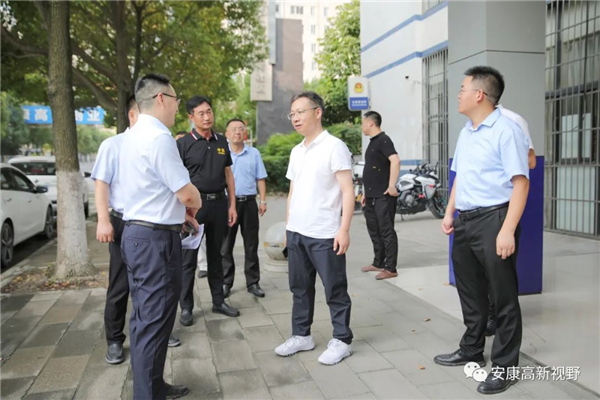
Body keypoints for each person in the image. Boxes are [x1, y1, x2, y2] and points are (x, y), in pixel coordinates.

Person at [434, 66, 529, 395]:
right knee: (470, 291)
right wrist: (450, 212)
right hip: (465, 220)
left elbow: (521, 183)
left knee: (503, 298)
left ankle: (505, 367)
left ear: (479, 94)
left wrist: (507, 230)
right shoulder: (467, 131)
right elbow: (460, 175)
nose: (458, 94)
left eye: (462, 89)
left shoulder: (506, 130)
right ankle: (472, 349)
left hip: (494, 220)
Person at [119, 73, 202, 400]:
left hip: (137, 234)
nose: (177, 107)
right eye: (176, 100)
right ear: (161, 99)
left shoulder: (131, 136)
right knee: (154, 322)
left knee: (145, 318)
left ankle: (153, 385)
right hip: (155, 242)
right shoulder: (158, 137)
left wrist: (178, 212)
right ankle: (147, 394)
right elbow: (187, 193)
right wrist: (191, 205)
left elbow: (151, 188)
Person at [92, 96, 182, 366]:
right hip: (123, 221)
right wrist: (103, 220)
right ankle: (115, 339)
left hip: (153, 223)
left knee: (153, 285)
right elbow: (101, 183)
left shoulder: (157, 142)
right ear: (133, 115)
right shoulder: (114, 144)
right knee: (121, 283)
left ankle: (156, 332)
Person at [274, 91, 355, 365]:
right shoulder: (297, 151)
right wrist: (288, 227)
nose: (295, 118)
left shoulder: (334, 146)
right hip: (297, 232)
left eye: (301, 112)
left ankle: (342, 340)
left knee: (335, 289)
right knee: (299, 288)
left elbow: (347, 191)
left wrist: (344, 229)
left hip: (325, 233)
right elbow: (292, 192)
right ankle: (302, 335)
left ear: (317, 112)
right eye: (292, 114)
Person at [177, 96, 240, 322]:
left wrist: (232, 205)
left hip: (219, 204)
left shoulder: (221, 141)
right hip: (194, 208)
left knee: (217, 255)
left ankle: (218, 301)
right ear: (191, 117)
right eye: (201, 113)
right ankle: (186, 307)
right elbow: (176, 178)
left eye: (209, 111)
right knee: (188, 259)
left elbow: (228, 175)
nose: (207, 117)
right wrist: (182, 211)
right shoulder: (183, 144)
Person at [486, 104, 536, 337]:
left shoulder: (512, 121)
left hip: (501, 206)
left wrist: (500, 161)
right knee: (481, 269)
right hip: (475, 209)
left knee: (501, 268)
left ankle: (498, 316)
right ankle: (488, 315)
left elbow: (531, 161)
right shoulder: (471, 127)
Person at [221, 118, 268, 298]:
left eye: (241, 129)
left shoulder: (253, 153)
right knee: (226, 246)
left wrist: (262, 200)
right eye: (233, 129)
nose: (237, 132)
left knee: (251, 244)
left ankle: (253, 282)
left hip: (249, 203)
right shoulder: (222, 153)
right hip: (228, 205)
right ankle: (226, 282)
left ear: (245, 133)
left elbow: (260, 178)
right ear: (227, 134)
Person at [359, 111, 401, 280]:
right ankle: (379, 262)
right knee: (374, 231)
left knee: (386, 231)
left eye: (363, 122)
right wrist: (366, 192)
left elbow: (395, 160)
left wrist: (391, 185)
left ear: (371, 123)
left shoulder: (384, 140)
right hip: (371, 195)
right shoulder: (373, 142)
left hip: (383, 196)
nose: (361, 126)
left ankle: (390, 268)